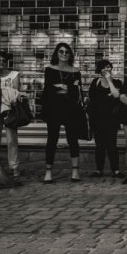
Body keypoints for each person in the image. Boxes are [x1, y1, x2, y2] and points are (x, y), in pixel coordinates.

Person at [41, 42, 83, 183]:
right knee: (52, 139)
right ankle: (48, 173)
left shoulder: (75, 71)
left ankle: (75, 171)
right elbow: (48, 91)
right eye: (61, 51)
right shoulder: (50, 70)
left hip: (71, 109)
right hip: (54, 109)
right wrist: (69, 88)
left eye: (67, 52)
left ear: (70, 55)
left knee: (73, 139)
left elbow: (78, 93)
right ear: (56, 53)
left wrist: (63, 87)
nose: (64, 54)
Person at [87, 59, 123, 178]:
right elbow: (92, 99)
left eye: (108, 67)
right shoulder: (95, 82)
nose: (107, 69)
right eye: (104, 68)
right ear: (100, 70)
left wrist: (109, 81)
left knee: (112, 145)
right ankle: (99, 170)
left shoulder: (117, 83)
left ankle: (116, 170)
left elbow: (117, 95)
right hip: (98, 119)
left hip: (112, 119)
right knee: (99, 146)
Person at [0, 52, 21, 178]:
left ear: (7, 62)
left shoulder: (14, 75)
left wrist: (4, 94)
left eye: (3, 60)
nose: (1, 63)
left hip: (10, 110)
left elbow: (16, 93)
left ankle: (14, 167)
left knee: (11, 140)